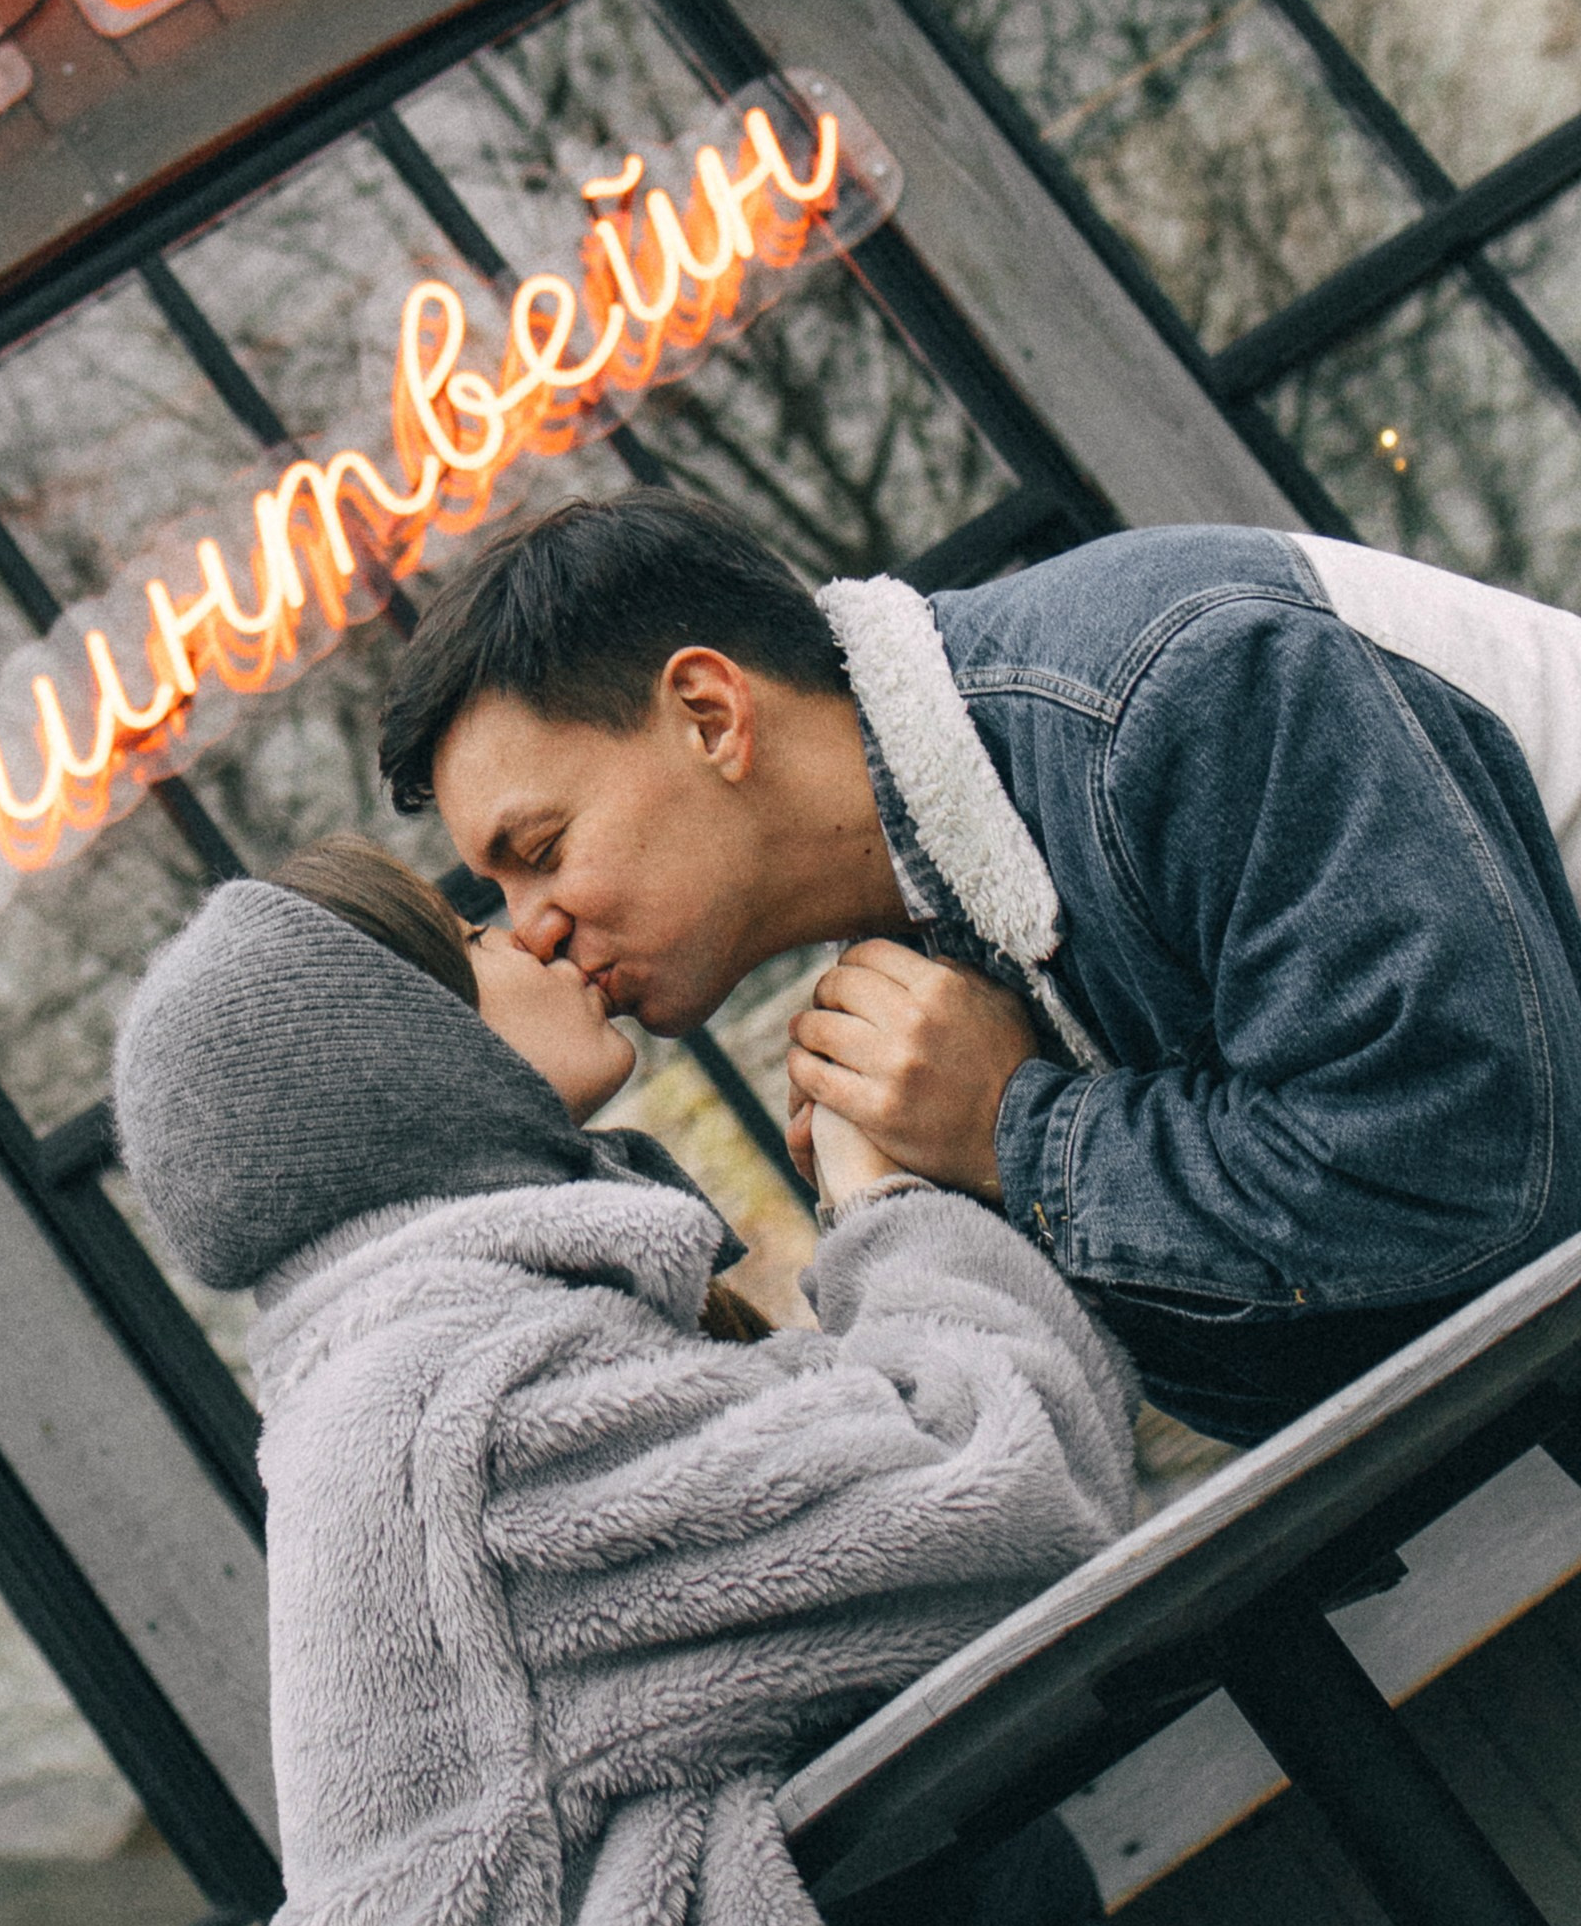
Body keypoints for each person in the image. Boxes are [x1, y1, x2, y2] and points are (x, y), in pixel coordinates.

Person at [113, 842, 1276, 1926]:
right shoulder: (466, 1400)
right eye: (463, 936)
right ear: (387, 1052)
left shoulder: (414, 1370)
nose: (528, 932)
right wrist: (889, 1204)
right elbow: (1008, 1496)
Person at [377, 496, 1581, 1443]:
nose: (530, 929)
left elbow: (1476, 1171)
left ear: (707, 713)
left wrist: (1018, 1134)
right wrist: (926, 1206)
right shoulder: (934, 933)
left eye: (540, 852)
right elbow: (1301, 1365)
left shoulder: (1174, 691)